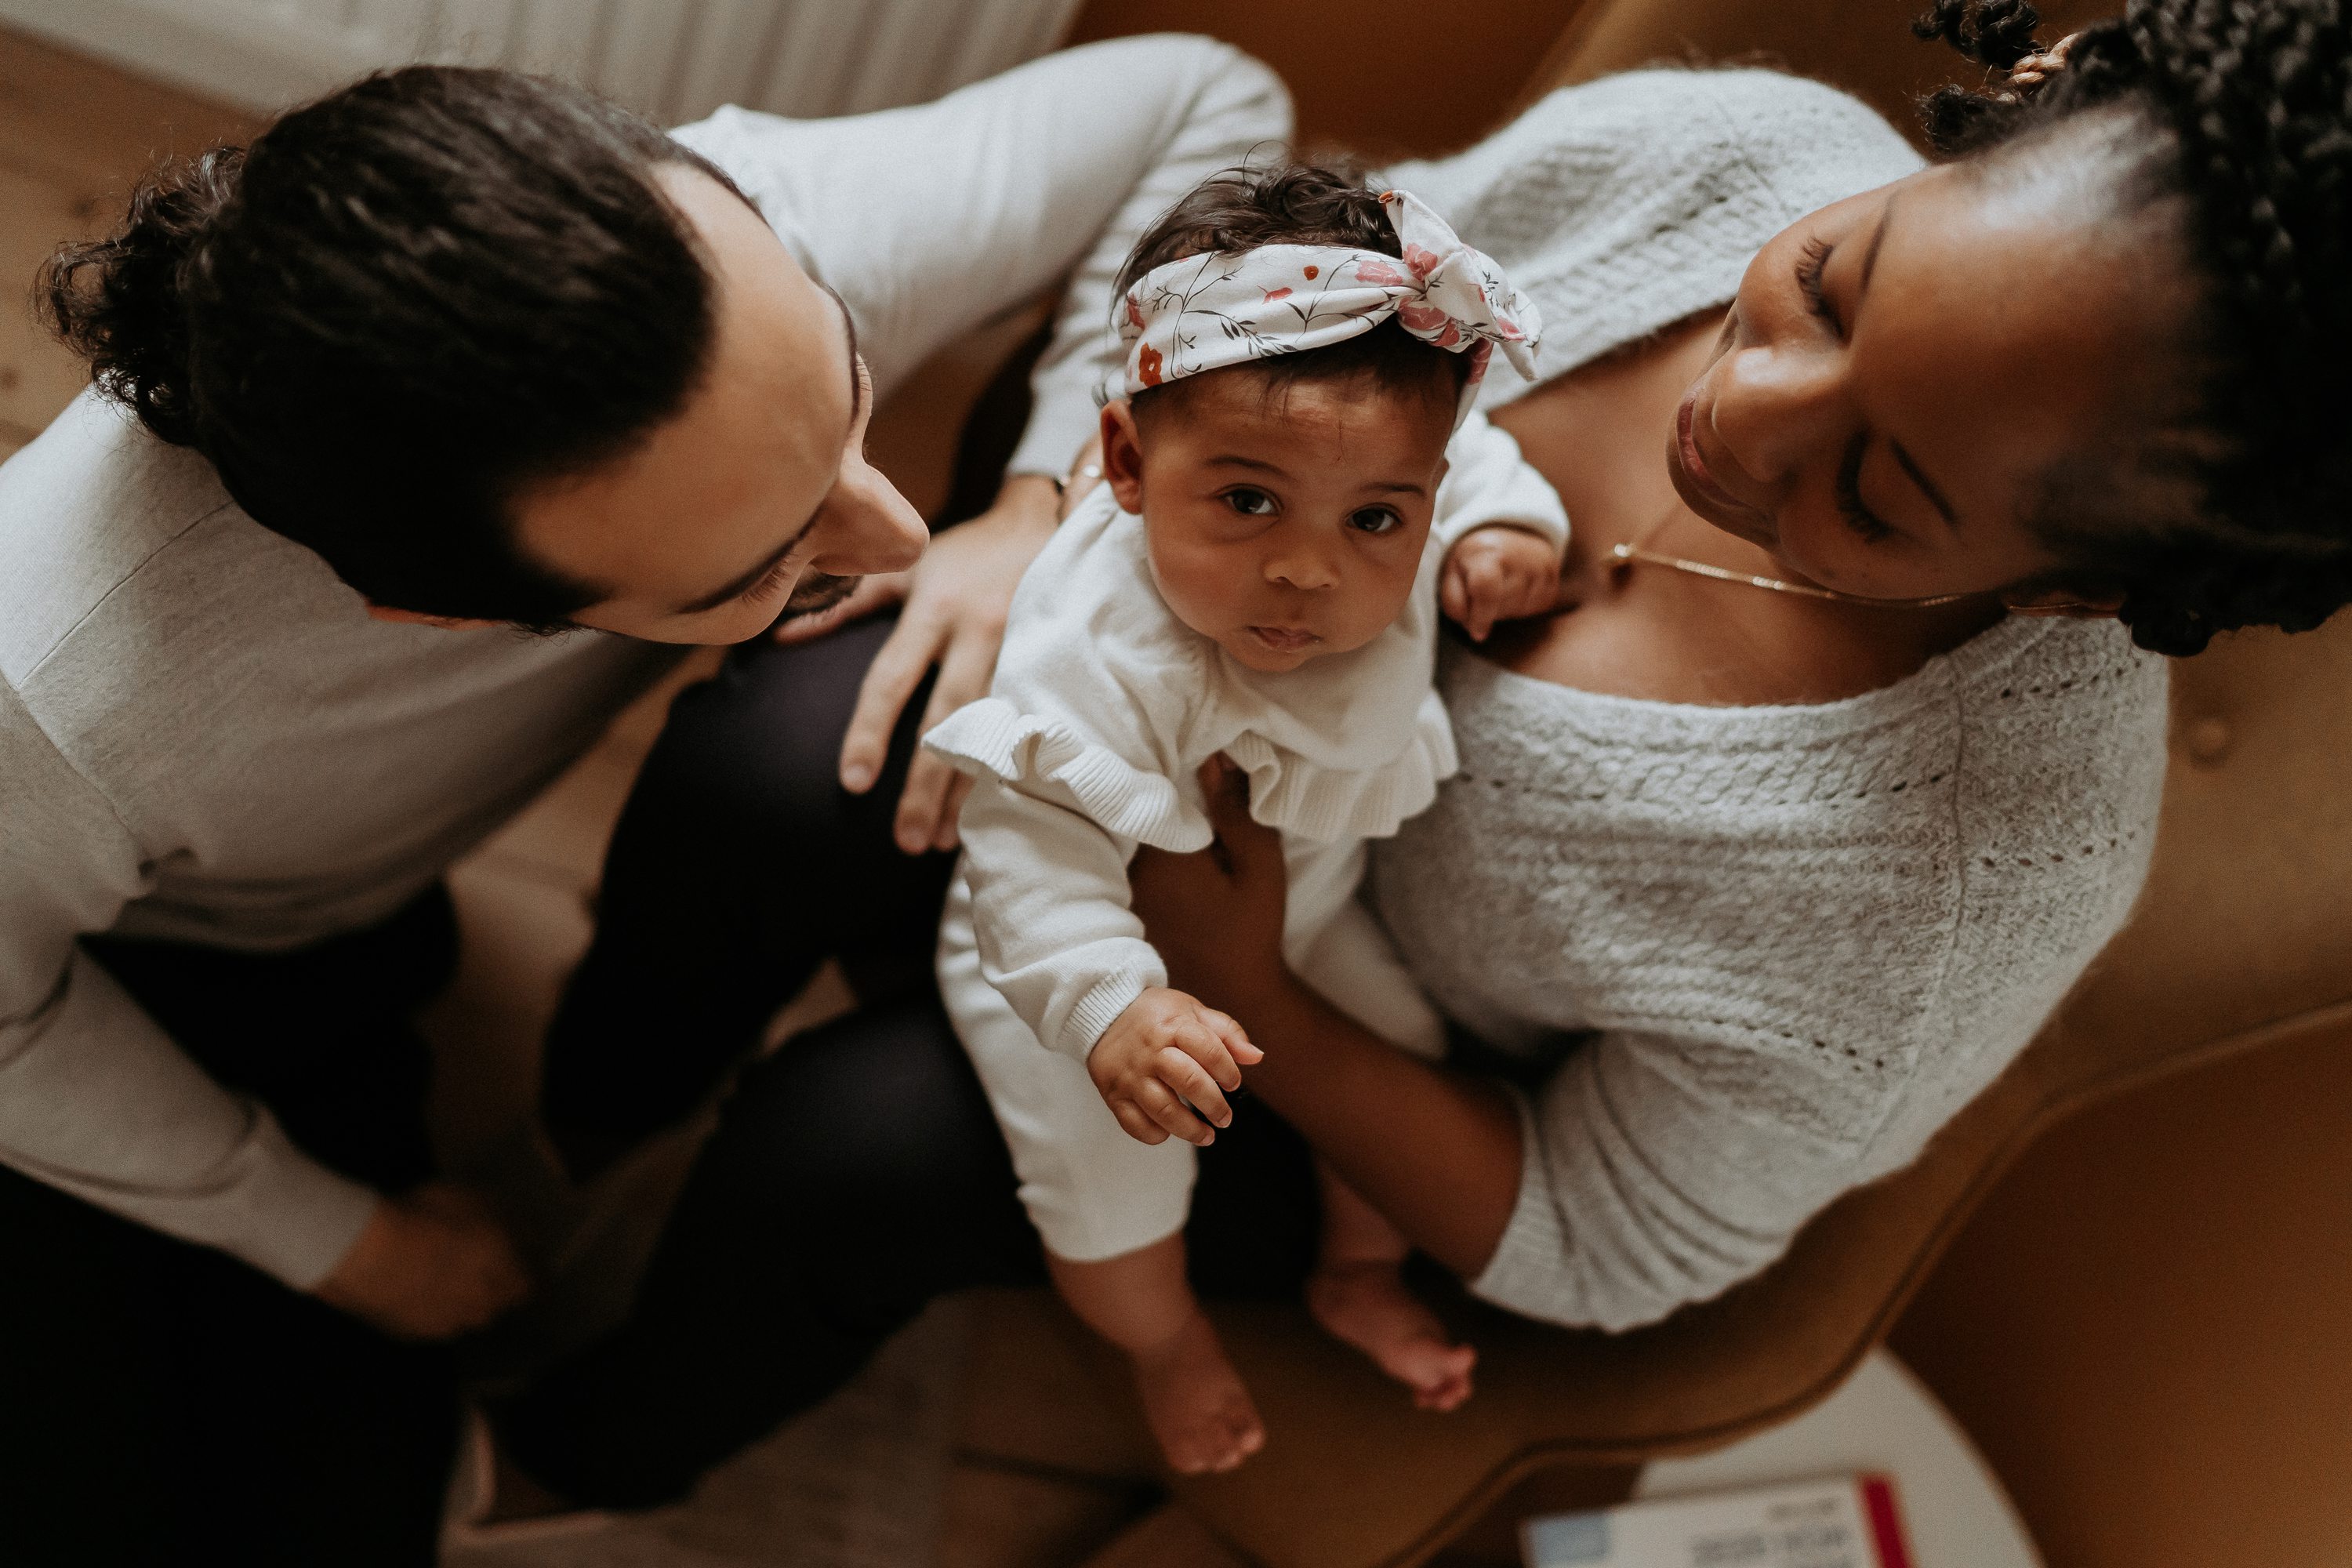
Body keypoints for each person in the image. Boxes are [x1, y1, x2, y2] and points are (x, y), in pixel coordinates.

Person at [495, 0, 2352, 1514]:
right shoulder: (1732, 158)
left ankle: (572, 1456)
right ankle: (572, 1114)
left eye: (1875, 496)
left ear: (2067, 597)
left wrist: (1246, 997)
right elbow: (1260, 291)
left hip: (1334, 1016)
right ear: (1991, 125)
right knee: (766, 768)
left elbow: (1620, 1236)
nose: (1741, 415)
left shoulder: (1964, 870)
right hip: (1149, 672)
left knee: (845, 1153)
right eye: (1836, 287)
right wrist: (1037, 504)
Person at [0, 37, 1289, 1564]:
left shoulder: (781, 214)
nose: (885, 534)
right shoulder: (50, 689)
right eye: (763, 565)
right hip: (137, 975)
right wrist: (339, 1242)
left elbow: (1213, 103)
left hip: (357, 938)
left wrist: (1032, 507)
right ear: (447, 616)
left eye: (849, 384)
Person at [927, 167, 1567, 1472]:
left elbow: (1481, 455)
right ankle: (1162, 1344)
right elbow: (1030, 853)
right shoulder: (1097, 641)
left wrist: (1508, 529)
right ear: (1123, 461)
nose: (1309, 568)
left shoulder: (1401, 470)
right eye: (1247, 501)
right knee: (1111, 1174)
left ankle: (1356, 1270)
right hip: (1080, 944)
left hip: (1306, 909)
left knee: (1399, 1048)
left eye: (1379, 518)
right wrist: (1115, 1007)